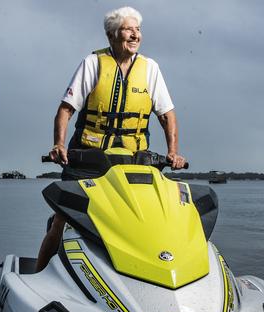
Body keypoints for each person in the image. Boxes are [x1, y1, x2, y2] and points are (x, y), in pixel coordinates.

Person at [35, 6, 186, 271]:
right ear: (111, 35)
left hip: (134, 161)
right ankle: (38, 274)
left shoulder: (150, 69)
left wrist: (173, 151)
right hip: (87, 157)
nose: (135, 35)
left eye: (138, 30)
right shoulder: (92, 63)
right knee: (63, 218)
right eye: (128, 29)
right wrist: (59, 144)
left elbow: (167, 115)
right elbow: (66, 110)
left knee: (141, 222)